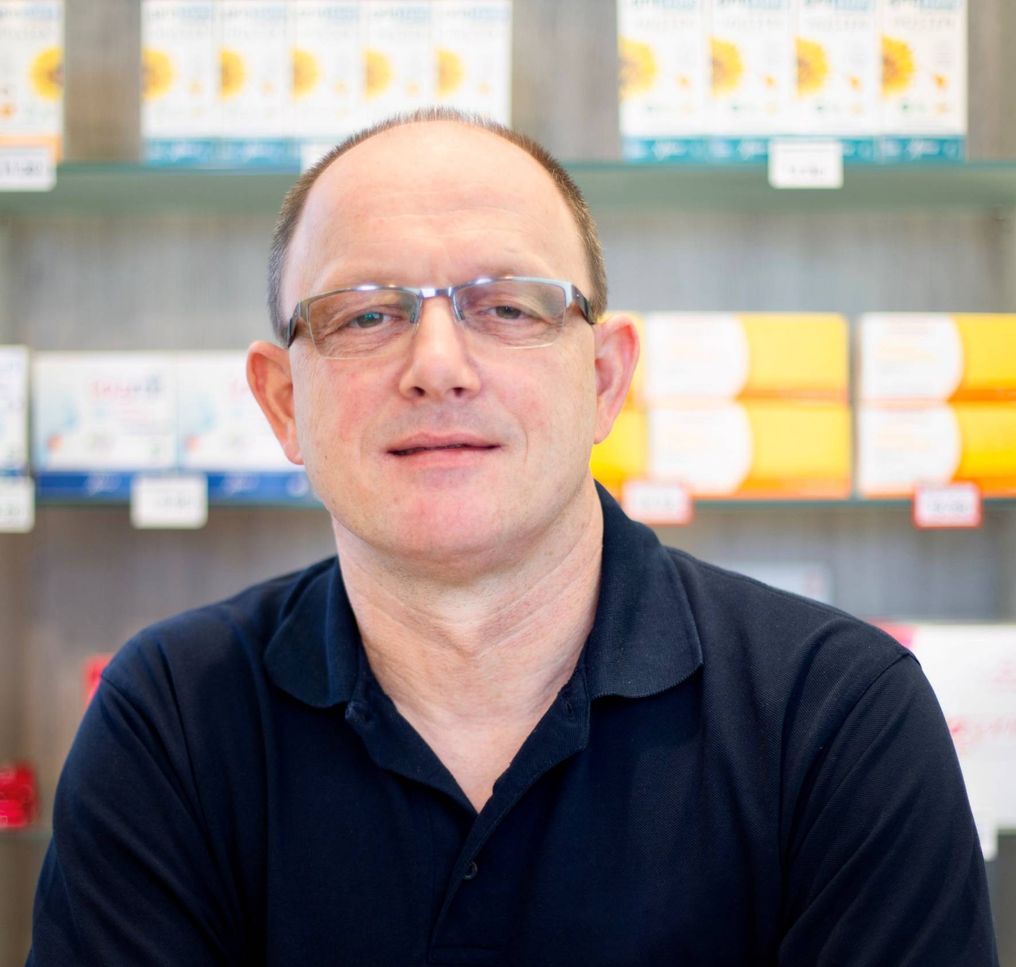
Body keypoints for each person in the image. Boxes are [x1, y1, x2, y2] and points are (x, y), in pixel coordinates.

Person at [29, 109, 998, 966]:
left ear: (605, 380)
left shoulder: (836, 715)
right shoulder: (172, 717)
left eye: (505, 307)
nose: (437, 365)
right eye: (366, 315)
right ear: (284, 401)